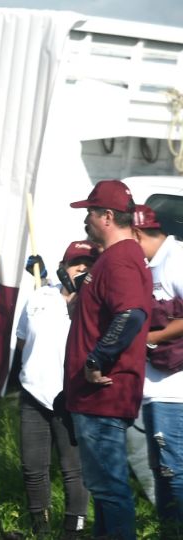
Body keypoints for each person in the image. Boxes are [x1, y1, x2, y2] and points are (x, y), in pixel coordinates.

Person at [64, 180, 152, 540]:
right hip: (96, 397)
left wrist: (95, 360)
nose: (86, 219)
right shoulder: (113, 259)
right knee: (104, 490)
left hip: (103, 395)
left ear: (107, 216)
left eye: (90, 212)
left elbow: (131, 313)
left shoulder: (120, 259)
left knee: (111, 490)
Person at [16, 240, 96, 538]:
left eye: (89, 265)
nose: (82, 269)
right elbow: (22, 340)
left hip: (72, 396)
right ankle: (41, 528)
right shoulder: (39, 297)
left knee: (73, 469)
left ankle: (72, 531)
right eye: (76, 263)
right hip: (34, 392)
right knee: (33, 467)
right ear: (63, 267)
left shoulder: (94, 303)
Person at [133, 204, 183, 536]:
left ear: (137, 234)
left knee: (173, 469)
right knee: (160, 467)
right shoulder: (151, 264)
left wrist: (150, 337)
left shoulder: (176, 259)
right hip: (154, 387)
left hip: (174, 387)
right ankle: (168, 529)